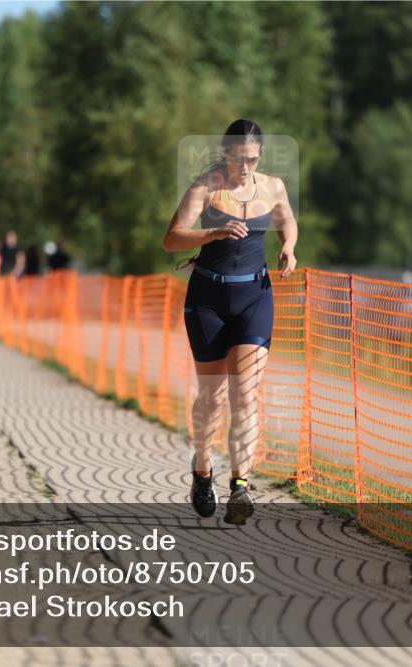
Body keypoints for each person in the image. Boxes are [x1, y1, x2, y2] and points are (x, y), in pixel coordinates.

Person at [162, 119, 298, 525]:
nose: (245, 167)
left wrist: (288, 246)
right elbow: (171, 239)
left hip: (254, 296)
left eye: (252, 159)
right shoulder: (205, 189)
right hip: (208, 301)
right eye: (239, 159)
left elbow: (286, 220)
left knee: (245, 396)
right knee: (212, 400)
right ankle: (202, 469)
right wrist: (213, 234)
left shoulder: (272, 187)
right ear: (225, 155)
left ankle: (240, 485)